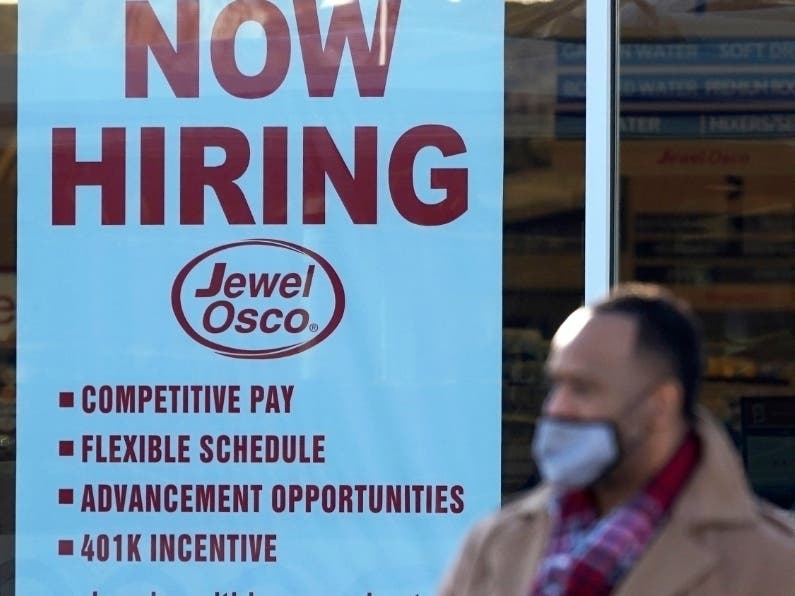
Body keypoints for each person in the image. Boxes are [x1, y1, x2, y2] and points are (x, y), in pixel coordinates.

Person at [439, 283, 795, 596]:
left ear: (660, 405)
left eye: (583, 389)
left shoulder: (772, 562)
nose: (557, 408)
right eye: (556, 385)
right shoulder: (498, 544)